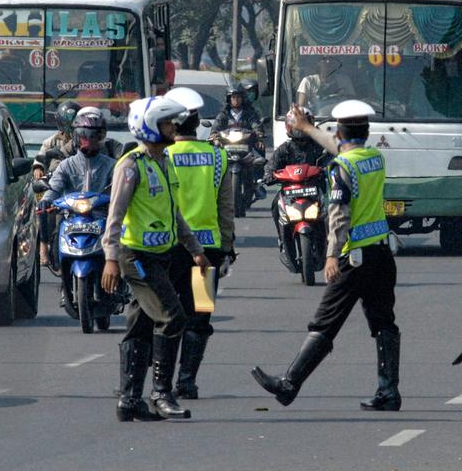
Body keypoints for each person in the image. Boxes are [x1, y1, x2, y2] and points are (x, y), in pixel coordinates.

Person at [252, 102, 401, 411]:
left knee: (324, 324)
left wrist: (331, 256)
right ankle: (389, 392)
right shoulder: (375, 158)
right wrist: (307, 129)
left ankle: (289, 384)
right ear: (366, 132)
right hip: (381, 255)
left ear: (341, 131)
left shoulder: (341, 168)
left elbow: (339, 217)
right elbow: (340, 148)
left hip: (353, 258)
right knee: (384, 323)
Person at [102, 96, 211, 422]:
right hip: (135, 257)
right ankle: (162, 393)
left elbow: (174, 213)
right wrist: (110, 258)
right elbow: (115, 216)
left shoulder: (164, 162)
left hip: (161, 256)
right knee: (172, 317)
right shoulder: (130, 165)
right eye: (166, 124)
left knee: (141, 326)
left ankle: (129, 400)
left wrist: (195, 249)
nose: (172, 129)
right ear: (149, 127)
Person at [165, 87, 237, 400]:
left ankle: (161, 383)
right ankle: (187, 381)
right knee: (200, 316)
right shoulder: (218, 157)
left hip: (166, 249)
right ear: (197, 122)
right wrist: (227, 248)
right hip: (208, 252)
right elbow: (226, 210)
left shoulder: (161, 156)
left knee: (164, 315)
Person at [40, 107, 119, 314]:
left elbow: (122, 190)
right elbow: (54, 188)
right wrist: (47, 201)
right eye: (84, 136)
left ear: (102, 137)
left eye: (94, 136)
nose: (89, 141)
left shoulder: (113, 166)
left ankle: (120, 282)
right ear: (76, 137)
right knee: (56, 236)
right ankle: (62, 278)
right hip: (73, 218)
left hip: (103, 218)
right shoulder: (65, 166)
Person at [264, 106, 334, 259]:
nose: (300, 127)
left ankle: (332, 241)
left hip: (316, 191)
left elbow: (332, 157)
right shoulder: (285, 149)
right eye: (296, 122)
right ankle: (282, 238)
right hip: (290, 193)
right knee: (275, 206)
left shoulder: (319, 146)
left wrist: (326, 168)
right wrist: (268, 175)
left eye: (305, 122)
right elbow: (271, 166)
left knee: (333, 210)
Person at [34, 101, 82, 179]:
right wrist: (38, 168)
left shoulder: (85, 141)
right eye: (66, 125)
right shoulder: (54, 140)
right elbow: (42, 154)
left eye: (74, 124)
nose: (70, 129)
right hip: (58, 178)